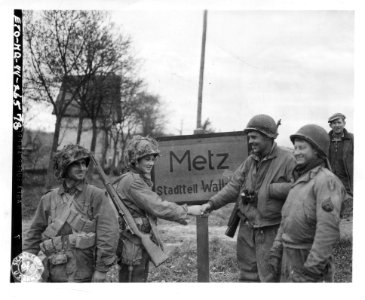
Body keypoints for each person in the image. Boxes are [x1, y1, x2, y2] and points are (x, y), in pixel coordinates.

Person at [201, 114, 296, 282]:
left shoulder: (288, 160)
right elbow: (233, 187)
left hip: (271, 230)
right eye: (249, 137)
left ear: (268, 137)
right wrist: (212, 203)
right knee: (247, 277)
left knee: (270, 277)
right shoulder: (250, 161)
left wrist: (271, 190)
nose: (250, 141)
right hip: (247, 229)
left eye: (254, 137)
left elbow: (299, 189)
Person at [23, 144, 119, 282]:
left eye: (84, 163)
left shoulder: (96, 195)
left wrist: (101, 269)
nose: (82, 168)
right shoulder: (48, 199)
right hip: (54, 273)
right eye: (76, 164)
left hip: (85, 272)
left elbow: (108, 233)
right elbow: (34, 234)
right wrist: (26, 264)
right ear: (64, 168)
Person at [114, 135, 202, 282]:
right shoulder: (133, 181)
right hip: (134, 244)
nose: (151, 163)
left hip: (136, 243)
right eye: (146, 159)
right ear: (135, 160)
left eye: (153, 159)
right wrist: (188, 210)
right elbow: (158, 206)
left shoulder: (133, 178)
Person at [268, 124, 346, 282]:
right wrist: (276, 253)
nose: (296, 153)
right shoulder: (300, 182)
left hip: (308, 260)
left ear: (317, 150)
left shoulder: (326, 181)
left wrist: (312, 269)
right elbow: (285, 221)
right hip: (289, 259)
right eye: (295, 148)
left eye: (302, 148)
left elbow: (327, 230)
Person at [327, 113, 353, 196]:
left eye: (339, 122)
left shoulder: (352, 139)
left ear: (344, 123)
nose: (337, 125)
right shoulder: (326, 140)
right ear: (330, 125)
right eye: (334, 123)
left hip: (347, 182)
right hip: (330, 181)